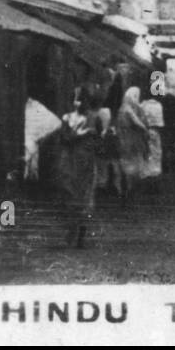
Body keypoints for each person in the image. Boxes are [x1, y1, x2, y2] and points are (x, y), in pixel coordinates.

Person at [57, 89, 100, 247]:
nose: (80, 103)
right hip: (77, 162)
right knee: (79, 197)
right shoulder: (75, 119)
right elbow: (65, 138)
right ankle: (74, 233)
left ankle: (77, 234)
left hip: (79, 163)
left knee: (81, 197)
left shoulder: (73, 118)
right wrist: (83, 134)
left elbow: (66, 138)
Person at [115, 86, 150, 203]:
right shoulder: (128, 109)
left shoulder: (122, 108)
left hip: (122, 138)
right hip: (131, 139)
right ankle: (129, 190)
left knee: (125, 162)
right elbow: (139, 123)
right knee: (132, 164)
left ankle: (123, 188)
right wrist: (145, 130)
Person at [141, 93, 165, 186]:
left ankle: (147, 174)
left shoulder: (143, 105)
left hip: (145, 130)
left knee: (147, 153)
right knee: (156, 153)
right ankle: (155, 173)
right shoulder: (158, 105)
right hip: (156, 131)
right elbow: (160, 122)